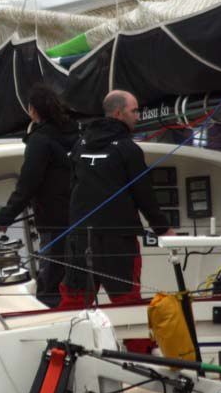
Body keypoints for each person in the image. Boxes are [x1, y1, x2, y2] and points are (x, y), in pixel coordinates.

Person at [61, 90, 176, 313]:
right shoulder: (128, 150)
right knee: (128, 303)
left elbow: (71, 187)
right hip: (117, 242)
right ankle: (138, 348)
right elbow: (144, 195)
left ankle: (65, 347)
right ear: (118, 113)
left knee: (74, 303)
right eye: (134, 111)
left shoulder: (79, 145)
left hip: (79, 237)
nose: (138, 116)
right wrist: (164, 230)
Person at [0, 84, 77, 307]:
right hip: (81, 219)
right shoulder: (76, 134)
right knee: (76, 279)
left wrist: (5, 217)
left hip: (53, 221)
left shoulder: (40, 141)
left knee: (50, 281)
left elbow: (27, 183)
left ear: (32, 111)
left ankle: (52, 327)